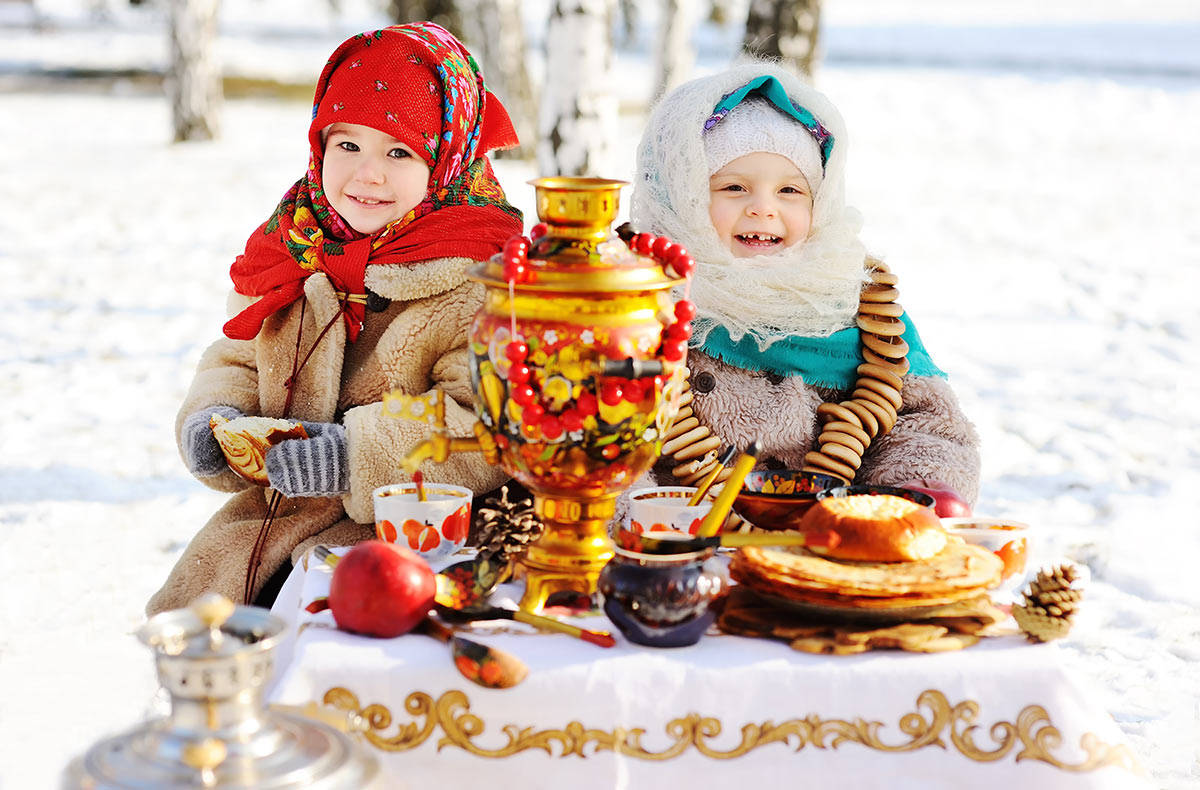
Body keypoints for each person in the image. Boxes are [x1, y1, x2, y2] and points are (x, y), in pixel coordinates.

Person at [147, 23, 521, 615]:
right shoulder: (299, 243)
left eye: (399, 152)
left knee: (329, 666)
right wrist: (216, 417)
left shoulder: (479, 276)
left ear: (448, 158)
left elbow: (488, 423)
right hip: (273, 527)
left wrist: (353, 453)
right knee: (212, 647)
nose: (367, 174)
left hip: (411, 547)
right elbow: (244, 351)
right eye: (348, 146)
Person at [630, 61, 980, 502]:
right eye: (734, 188)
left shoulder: (852, 303)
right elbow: (601, 435)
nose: (763, 208)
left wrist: (909, 494)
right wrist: (635, 510)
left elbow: (928, 427)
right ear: (682, 197)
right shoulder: (639, 301)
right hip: (681, 546)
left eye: (790, 191)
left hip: (827, 543)